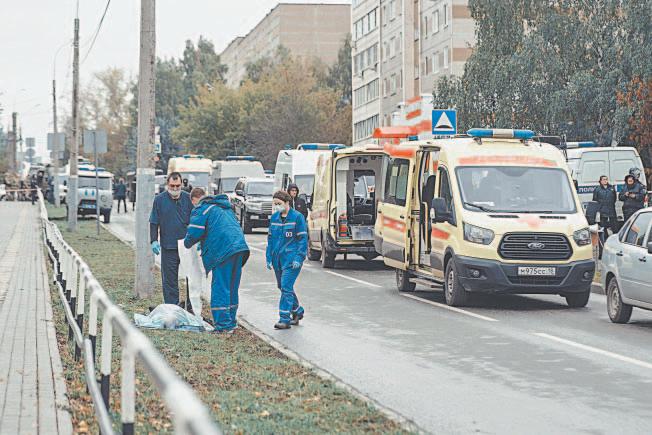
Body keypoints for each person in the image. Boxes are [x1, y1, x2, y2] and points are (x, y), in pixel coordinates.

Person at [184, 187, 249, 333]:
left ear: (194, 200)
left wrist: (186, 243)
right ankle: (231, 321)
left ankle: (223, 325)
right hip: (239, 248)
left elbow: (193, 232)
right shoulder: (224, 207)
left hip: (223, 250)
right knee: (231, 286)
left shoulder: (202, 208)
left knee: (220, 287)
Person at [150, 172, 194, 306]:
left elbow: (196, 220)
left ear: (182, 184)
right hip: (169, 246)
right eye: (172, 186)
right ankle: (172, 307)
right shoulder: (159, 200)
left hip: (187, 245)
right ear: (167, 184)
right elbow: (154, 222)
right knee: (169, 280)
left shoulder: (188, 199)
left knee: (192, 279)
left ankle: (191, 306)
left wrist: (198, 240)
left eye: (178, 186)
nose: (175, 189)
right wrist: (154, 240)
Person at [266, 191, 308, 330]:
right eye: (275, 204)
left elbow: (302, 240)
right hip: (277, 259)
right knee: (282, 286)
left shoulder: (297, 218)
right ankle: (297, 311)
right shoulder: (274, 218)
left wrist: (299, 257)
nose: (277, 206)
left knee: (286, 286)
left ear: (287, 203)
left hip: (291, 260)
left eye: (279, 203)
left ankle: (284, 318)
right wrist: (268, 257)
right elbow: (270, 239)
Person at [592, 175, 616, 244]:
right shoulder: (597, 189)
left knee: (614, 226)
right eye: (604, 179)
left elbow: (614, 198)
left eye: (606, 179)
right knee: (603, 226)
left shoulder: (611, 188)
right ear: (600, 181)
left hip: (611, 210)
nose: (605, 181)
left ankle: (615, 240)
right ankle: (604, 240)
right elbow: (595, 200)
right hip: (602, 210)